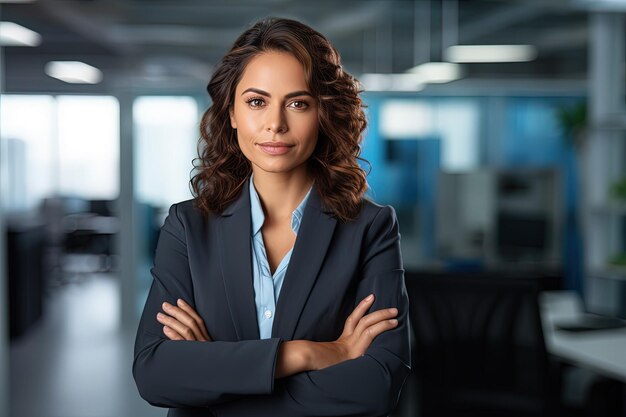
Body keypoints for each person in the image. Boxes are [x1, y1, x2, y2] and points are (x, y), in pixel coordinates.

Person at [132, 16, 411, 417]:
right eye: (256, 101)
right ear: (231, 113)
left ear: (324, 114)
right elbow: (154, 373)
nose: (275, 124)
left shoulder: (370, 228)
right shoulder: (188, 226)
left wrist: (216, 372)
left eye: (298, 103)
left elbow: (377, 384)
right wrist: (305, 355)